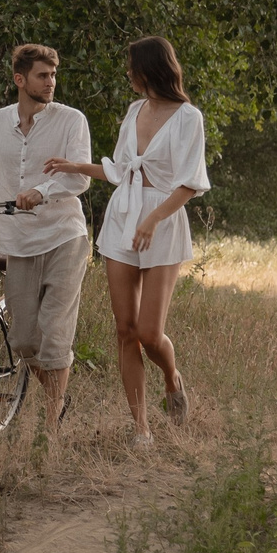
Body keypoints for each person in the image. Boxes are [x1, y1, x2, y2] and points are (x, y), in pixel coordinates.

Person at [42, 35, 209, 448]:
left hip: (162, 221)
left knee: (150, 333)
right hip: (122, 218)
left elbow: (190, 183)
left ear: (149, 70)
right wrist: (75, 166)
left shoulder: (188, 118)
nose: (128, 74)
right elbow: (120, 170)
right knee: (125, 329)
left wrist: (153, 218)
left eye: (132, 67)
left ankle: (172, 378)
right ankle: (141, 428)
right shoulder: (135, 110)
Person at [0, 44, 94, 441]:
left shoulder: (71, 120)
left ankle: (50, 427)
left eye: (53, 75)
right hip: (16, 242)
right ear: (19, 79)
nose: (51, 82)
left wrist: (41, 191)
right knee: (25, 340)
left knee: (54, 334)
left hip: (64, 237)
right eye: (42, 75)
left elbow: (79, 176)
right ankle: (58, 399)